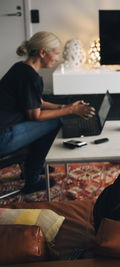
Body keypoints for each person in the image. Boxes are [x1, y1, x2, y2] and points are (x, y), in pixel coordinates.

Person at [0, 31, 95, 194]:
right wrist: (70, 110)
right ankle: (33, 177)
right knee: (55, 122)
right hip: (3, 137)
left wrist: (63, 107)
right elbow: (35, 115)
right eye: (56, 53)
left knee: (54, 118)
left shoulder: (20, 69)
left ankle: (33, 164)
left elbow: (38, 103)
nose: (57, 58)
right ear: (42, 52)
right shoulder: (31, 77)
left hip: (6, 129)